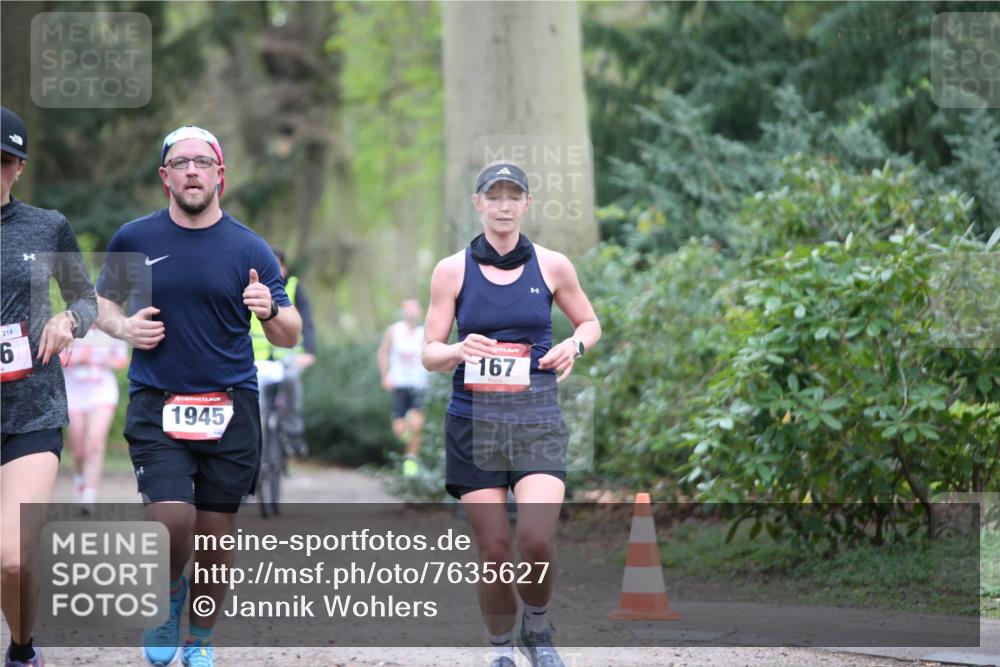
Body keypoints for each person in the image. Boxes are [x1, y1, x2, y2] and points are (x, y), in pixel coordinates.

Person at [95, 125, 301, 667]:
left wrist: (271, 309)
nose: (192, 171)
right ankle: (167, 599)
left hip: (231, 407)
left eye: (202, 163)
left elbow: (291, 332)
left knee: (213, 537)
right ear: (165, 176)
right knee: (171, 521)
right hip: (157, 402)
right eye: (180, 162)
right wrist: (124, 330)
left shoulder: (248, 246)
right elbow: (101, 305)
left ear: (220, 176)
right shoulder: (134, 238)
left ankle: (200, 639)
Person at [422, 161, 601, 667]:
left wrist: (573, 345)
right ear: (477, 204)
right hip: (473, 422)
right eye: (493, 196)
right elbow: (429, 352)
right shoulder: (452, 270)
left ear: (526, 204)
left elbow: (589, 322)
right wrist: (458, 351)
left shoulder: (553, 265)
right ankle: (500, 650)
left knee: (537, 539)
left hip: (536, 419)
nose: (503, 205)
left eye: (512, 196)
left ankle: (538, 629)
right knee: (497, 551)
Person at [1, 106, 98, 667]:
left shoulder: (46, 226)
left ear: (19, 168)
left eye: (6, 161)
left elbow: (84, 297)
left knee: (13, 559)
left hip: (30, 408)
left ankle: (21, 648)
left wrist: (68, 321)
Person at [250, 248, 316, 456]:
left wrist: (309, 351)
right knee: (253, 395)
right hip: (256, 359)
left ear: (284, 269)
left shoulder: (295, 288)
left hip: (288, 356)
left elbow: (307, 322)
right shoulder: (251, 289)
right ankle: (254, 437)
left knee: (291, 379)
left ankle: (292, 431)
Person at [63, 324, 129, 514]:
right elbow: (55, 358)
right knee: (79, 451)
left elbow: (122, 360)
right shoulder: (67, 329)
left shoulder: (111, 330)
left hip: (101, 392)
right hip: (74, 392)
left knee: (95, 442)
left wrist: (102, 360)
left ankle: (89, 496)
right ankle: (80, 480)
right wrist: (79, 358)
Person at [377, 298, 430, 477]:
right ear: (403, 311)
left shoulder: (425, 333)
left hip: (419, 385)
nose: (411, 312)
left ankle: (411, 460)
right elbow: (383, 352)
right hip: (399, 384)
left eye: (414, 309)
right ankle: (408, 443)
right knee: (400, 430)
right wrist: (385, 376)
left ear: (420, 312)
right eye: (408, 309)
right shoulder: (394, 331)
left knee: (416, 424)